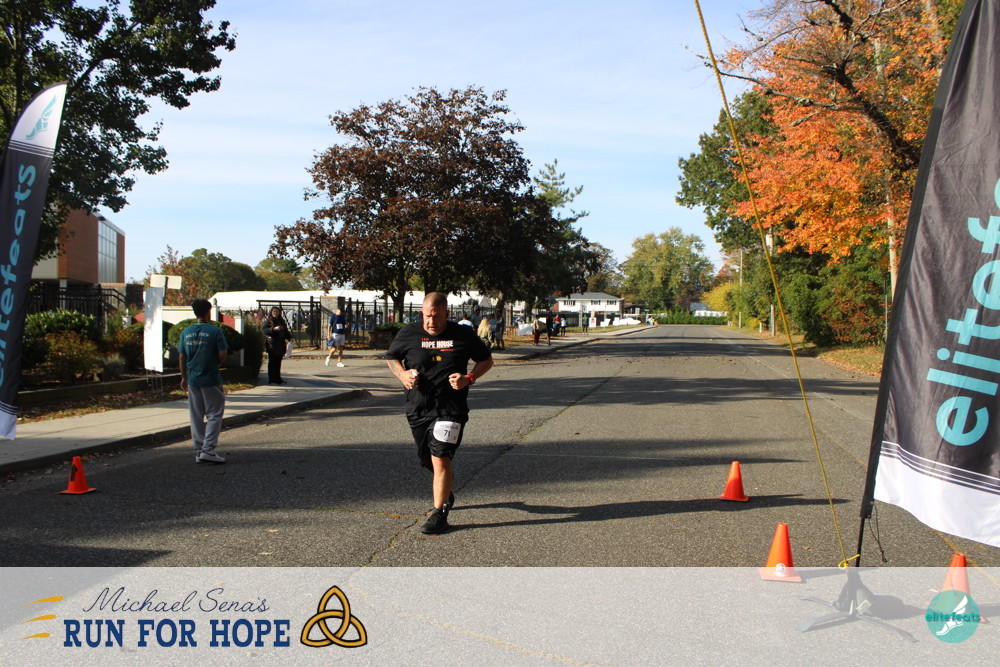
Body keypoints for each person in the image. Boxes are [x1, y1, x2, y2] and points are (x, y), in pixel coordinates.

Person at [386, 292, 494, 535]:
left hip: (451, 409)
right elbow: (392, 357)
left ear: (447, 313)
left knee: (441, 457)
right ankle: (445, 491)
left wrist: (469, 378)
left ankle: (439, 513)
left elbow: (486, 361)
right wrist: (402, 374)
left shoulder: (463, 334)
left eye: (436, 316)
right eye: (427, 316)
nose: (431, 321)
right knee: (426, 459)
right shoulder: (409, 333)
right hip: (418, 407)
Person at [178, 299, 229, 464]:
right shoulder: (215, 331)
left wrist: (184, 377)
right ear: (208, 312)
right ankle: (208, 449)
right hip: (210, 377)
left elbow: (182, 356)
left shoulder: (186, 332)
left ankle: (199, 450)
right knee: (214, 414)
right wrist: (215, 363)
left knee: (196, 415)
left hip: (193, 378)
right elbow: (222, 353)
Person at [263, 307, 292, 384]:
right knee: (272, 362)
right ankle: (272, 379)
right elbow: (264, 330)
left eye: (277, 311)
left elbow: (285, 331)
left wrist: (290, 338)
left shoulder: (281, 321)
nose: (275, 313)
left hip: (280, 344)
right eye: (274, 311)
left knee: (278, 362)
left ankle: (278, 378)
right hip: (272, 344)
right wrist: (273, 329)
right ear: (271, 312)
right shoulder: (268, 321)